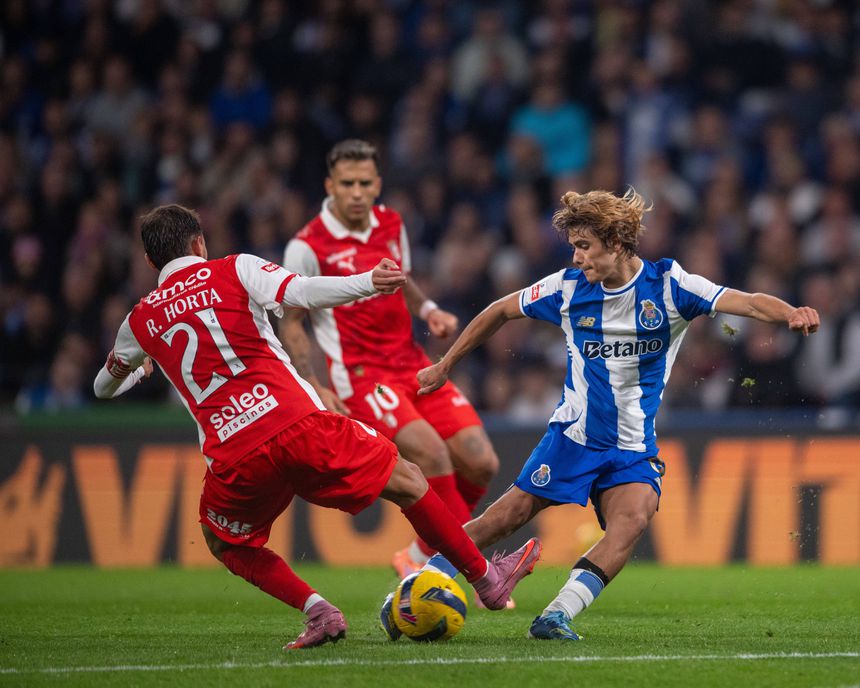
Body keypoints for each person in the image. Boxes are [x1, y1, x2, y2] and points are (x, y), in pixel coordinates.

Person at [93, 204, 541, 650]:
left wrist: (138, 369)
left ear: (150, 262)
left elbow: (102, 388)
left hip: (234, 455)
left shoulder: (139, 322)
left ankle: (319, 611)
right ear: (199, 244)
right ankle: (486, 578)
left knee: (224, 541)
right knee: (409, 480)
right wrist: (367, 282)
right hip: (295, 423)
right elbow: (303, 292)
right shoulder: (234, 268)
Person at [382, 188, 820, 641]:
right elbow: (499, 311)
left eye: (584, 247)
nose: (577, 258)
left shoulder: (671, 286)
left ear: (616, 242)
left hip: (632, 446)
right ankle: (412, 592)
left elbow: (745, 302)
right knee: (503, 518)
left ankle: (556, 616)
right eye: (573, 247)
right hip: (574, 437)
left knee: (634, 519)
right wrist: (446, 364)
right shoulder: (567, 288)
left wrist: (791, 312)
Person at [279, 139, 502, 581]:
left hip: (412, 364)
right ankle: (476, 572)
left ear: (377, 183)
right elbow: (291, 323)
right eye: (347, 183)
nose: (357, 192)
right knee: (432, 453)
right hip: (361, 377)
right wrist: (314, 385)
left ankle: (420, 556)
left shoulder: (391, 222)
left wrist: (428, 309)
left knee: (482, 462)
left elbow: (403, 280)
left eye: (365, 183)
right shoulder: (307, 246)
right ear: (330, 185)